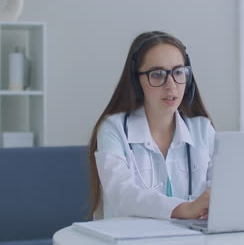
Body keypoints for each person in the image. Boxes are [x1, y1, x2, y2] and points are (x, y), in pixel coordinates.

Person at [88, 31, 215, 220]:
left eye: (178, 72)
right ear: (136, 81)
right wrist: (183, 209)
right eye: (157, 75)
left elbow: (222, 191)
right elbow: (122, 195)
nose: (171, 85)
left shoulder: (203, 130)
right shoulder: (113, 129)